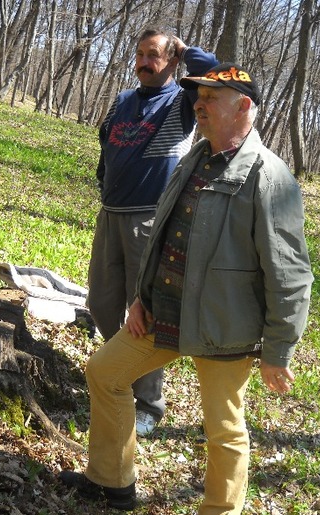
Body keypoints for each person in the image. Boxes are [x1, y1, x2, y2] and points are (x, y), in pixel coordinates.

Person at [61, 62, 314, 515]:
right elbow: (163, 234)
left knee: (223, 429)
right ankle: (111, 481)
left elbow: (291, 274)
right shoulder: (194, 159)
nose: (199, 103)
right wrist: (141, 296)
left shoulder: (269, 177)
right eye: (197, 96)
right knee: (105, 372)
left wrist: (278, 349)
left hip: (224, 328)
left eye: (211, 98)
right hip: (164, 313)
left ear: (243, 107)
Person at [87, 28, 218, 436]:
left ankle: (148, 403)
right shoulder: (124, 99)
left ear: (171, 60)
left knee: (143, 312)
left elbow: (215, 72)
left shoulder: (183, 102)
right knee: (102, 303)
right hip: (110, 213)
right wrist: (104, 177)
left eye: (155, 55)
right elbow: (106, 141)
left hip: (149, 219)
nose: (145, 62)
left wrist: (185, 50)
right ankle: (118, 375)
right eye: (140, 54)